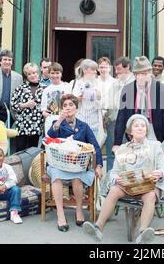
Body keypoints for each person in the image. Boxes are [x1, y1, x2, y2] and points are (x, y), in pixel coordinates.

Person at [83, 114, 164, 244]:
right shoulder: (123, 149)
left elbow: (163, 168)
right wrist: (117, 179)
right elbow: (114, 172)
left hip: (149, 186)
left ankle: (142, 233)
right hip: (129, 186)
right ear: (130, 131)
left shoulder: (155, 146)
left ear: (146, 129)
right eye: (136, 126)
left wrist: (160, 173)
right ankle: (98, 227)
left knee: (150, 195)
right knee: (114, 190)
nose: (140, 128)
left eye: (143, 126)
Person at [113, 56, 164, 223]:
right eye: (140, 73)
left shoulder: (159, 89)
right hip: (134, 130)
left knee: (160, 168)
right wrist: (116, 142)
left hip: (154, 131)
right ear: (135, 74)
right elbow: (121, 117)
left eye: (146, 72)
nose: (143, 75)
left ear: (150, 73)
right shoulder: (128, 89)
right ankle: (134, 198)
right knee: (132, 165)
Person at [46, 94, 103, 232]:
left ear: (76, 108)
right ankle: (60, 214)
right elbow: (50, 136)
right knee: (56, 176)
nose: (68, 108)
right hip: (59, 163)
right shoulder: (58, 123)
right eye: (65, 105)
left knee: (77, 178)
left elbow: (95, 146)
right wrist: (59, 120)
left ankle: (79, 209)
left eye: (71, 105)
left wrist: (99, 165)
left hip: (78, 164)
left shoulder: (84, 126)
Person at [102, 57, 135, 172]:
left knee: (128, 153)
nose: (117, 72)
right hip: (113, 121)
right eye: (115, 69)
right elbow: (108, 102)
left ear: (128, 68)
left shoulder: (135, 83)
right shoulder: (115, 84)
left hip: (129, 123)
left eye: (119, 69)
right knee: (112, 152)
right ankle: (110, 180)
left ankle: (127, 181)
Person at [10, 63, 44, 152]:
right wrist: (25, 105)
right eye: (29, 74)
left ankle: (32, 166)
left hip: (37, 124)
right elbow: (13, 105)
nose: (32, 75)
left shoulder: (44, 88)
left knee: (33, 151)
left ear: (38, 72)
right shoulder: (20, 88)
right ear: (26, 75)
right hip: (22, 124)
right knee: (20, 150)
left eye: (34, 73)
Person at [72, 59, 104, 143]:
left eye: (95, 70)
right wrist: (77, 98)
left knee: (93, 147)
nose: (95, 72)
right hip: (80, 119)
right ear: (84, 70)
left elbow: (102, 99)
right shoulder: (77, 83)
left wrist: (97, 94)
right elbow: (73, 100)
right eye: (93, 69)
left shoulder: (98, 83)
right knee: (80, 146)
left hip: (94, 121)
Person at [97, 57, 116, 170]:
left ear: (110, 68)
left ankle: (110, 176)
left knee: (111, 148)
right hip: (97, 117)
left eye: (105, 67)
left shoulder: (115, 82)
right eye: (101, 67)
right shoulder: (94, 81)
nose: (103, 69)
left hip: (110, 118)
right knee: (96, 147)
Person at [41, 62, 70, 135]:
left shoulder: (67, 87)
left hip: (65, 120)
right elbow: (43, 108)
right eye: (52, 73)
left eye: (57, 73)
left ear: (61, 74)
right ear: (49, 74)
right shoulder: (46, 90)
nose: (55, 75)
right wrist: (45, 114)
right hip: (51, 121)